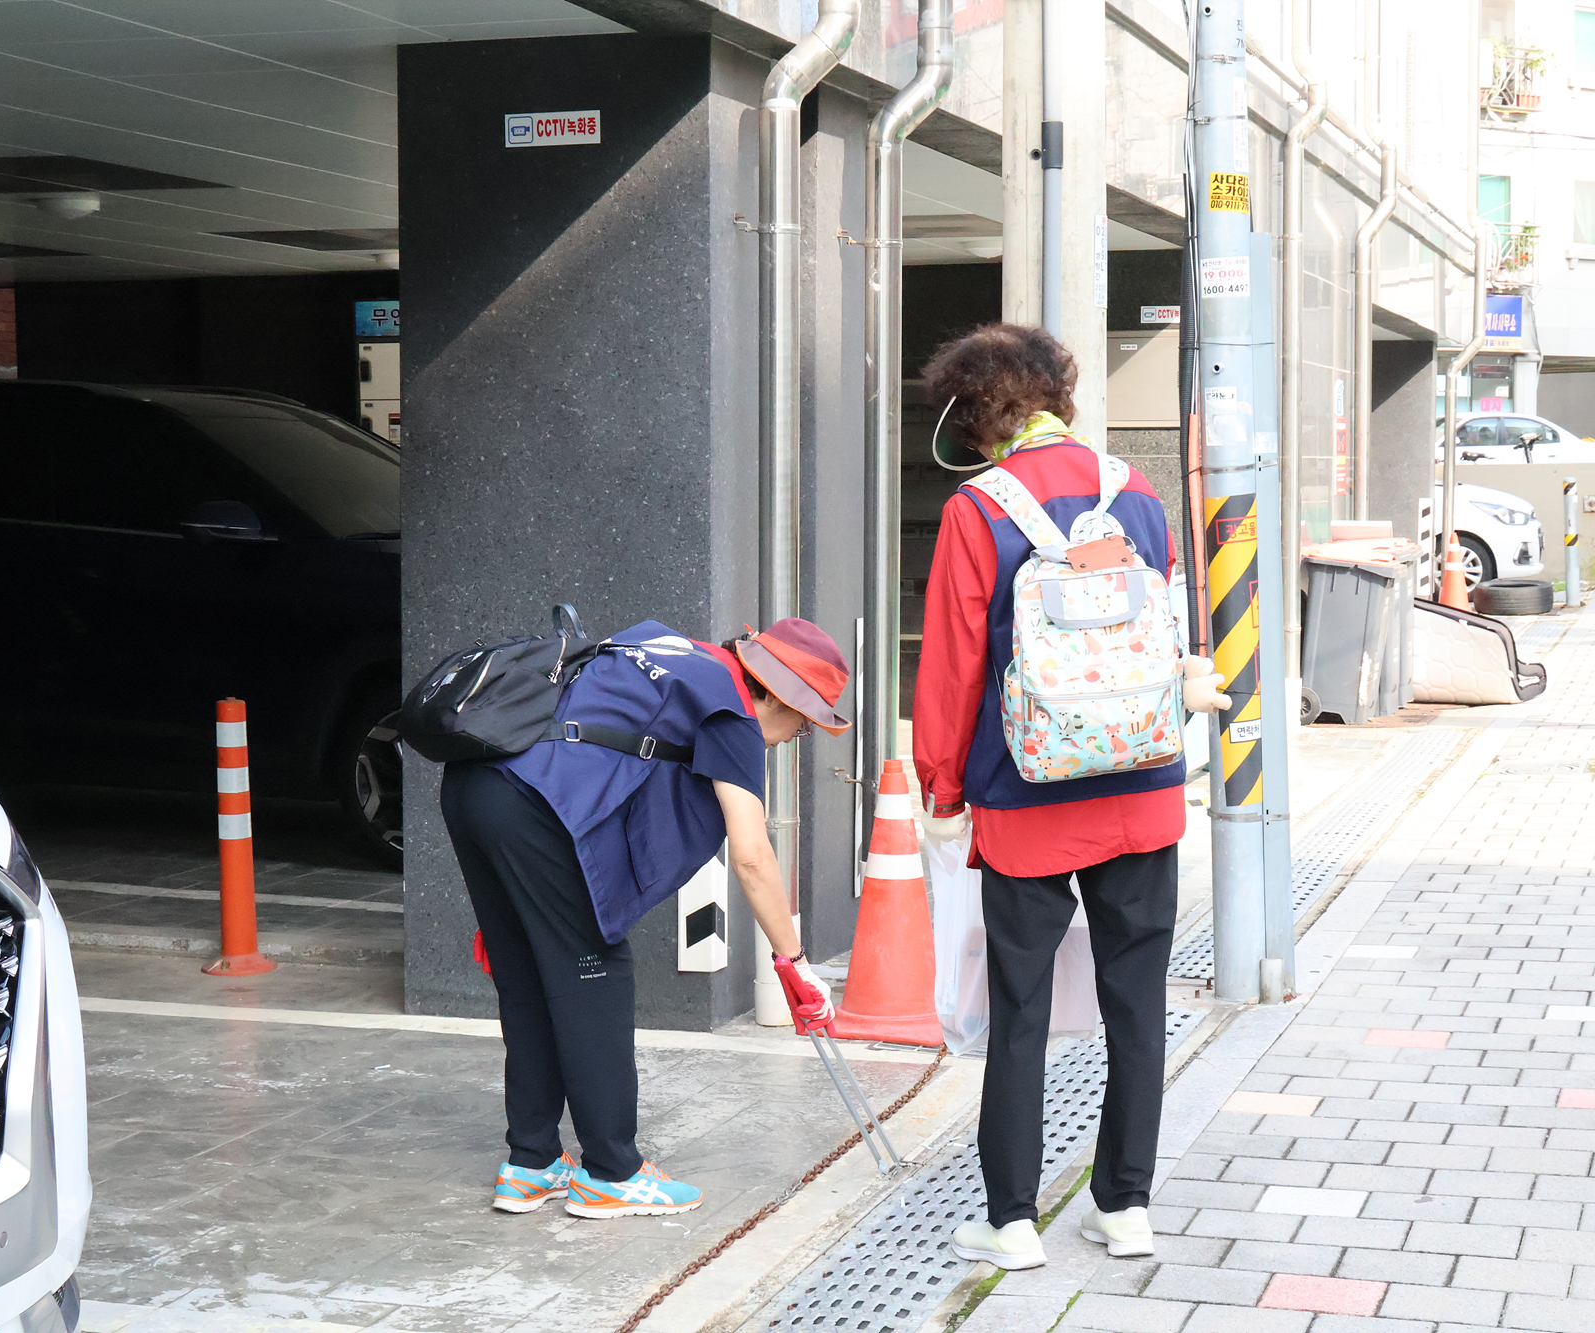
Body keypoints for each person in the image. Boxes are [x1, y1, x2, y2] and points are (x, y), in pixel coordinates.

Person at [912, 323, 1231, 1270]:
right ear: (1061, 394)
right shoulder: (1134, 495)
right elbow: (1167, 622)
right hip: (1139, 787)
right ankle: (1124, 1205)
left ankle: (1010, 1222)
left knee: (1020, 1010)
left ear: (975, 419)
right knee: (1137, 1003)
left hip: (1028, 799)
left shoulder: (979, 511)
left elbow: (954, 668)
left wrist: (942, 786)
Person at [439, 618, 848, 1215]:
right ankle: (611, 1172)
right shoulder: (730, 711)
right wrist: (794, 962)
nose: (796, 736)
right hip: (531, 811)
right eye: (804, 722)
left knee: (528, 979)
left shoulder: (669, 648)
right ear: (776, 694)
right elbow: (753, 856)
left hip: (474, 786)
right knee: (596, 975)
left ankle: (532, 1163)